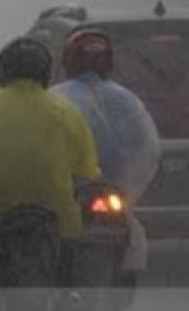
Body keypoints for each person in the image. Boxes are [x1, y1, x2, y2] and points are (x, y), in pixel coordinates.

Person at [0, 36, 101, 311]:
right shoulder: (64, 109)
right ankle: (68, 291)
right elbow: (86, 165)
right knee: (72, 237)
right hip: (54, 205)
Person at [52, 30, 161, 276]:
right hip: (113, 193)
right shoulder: (127, 100)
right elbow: (148, 149)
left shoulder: (54, 99)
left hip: (68, 194)